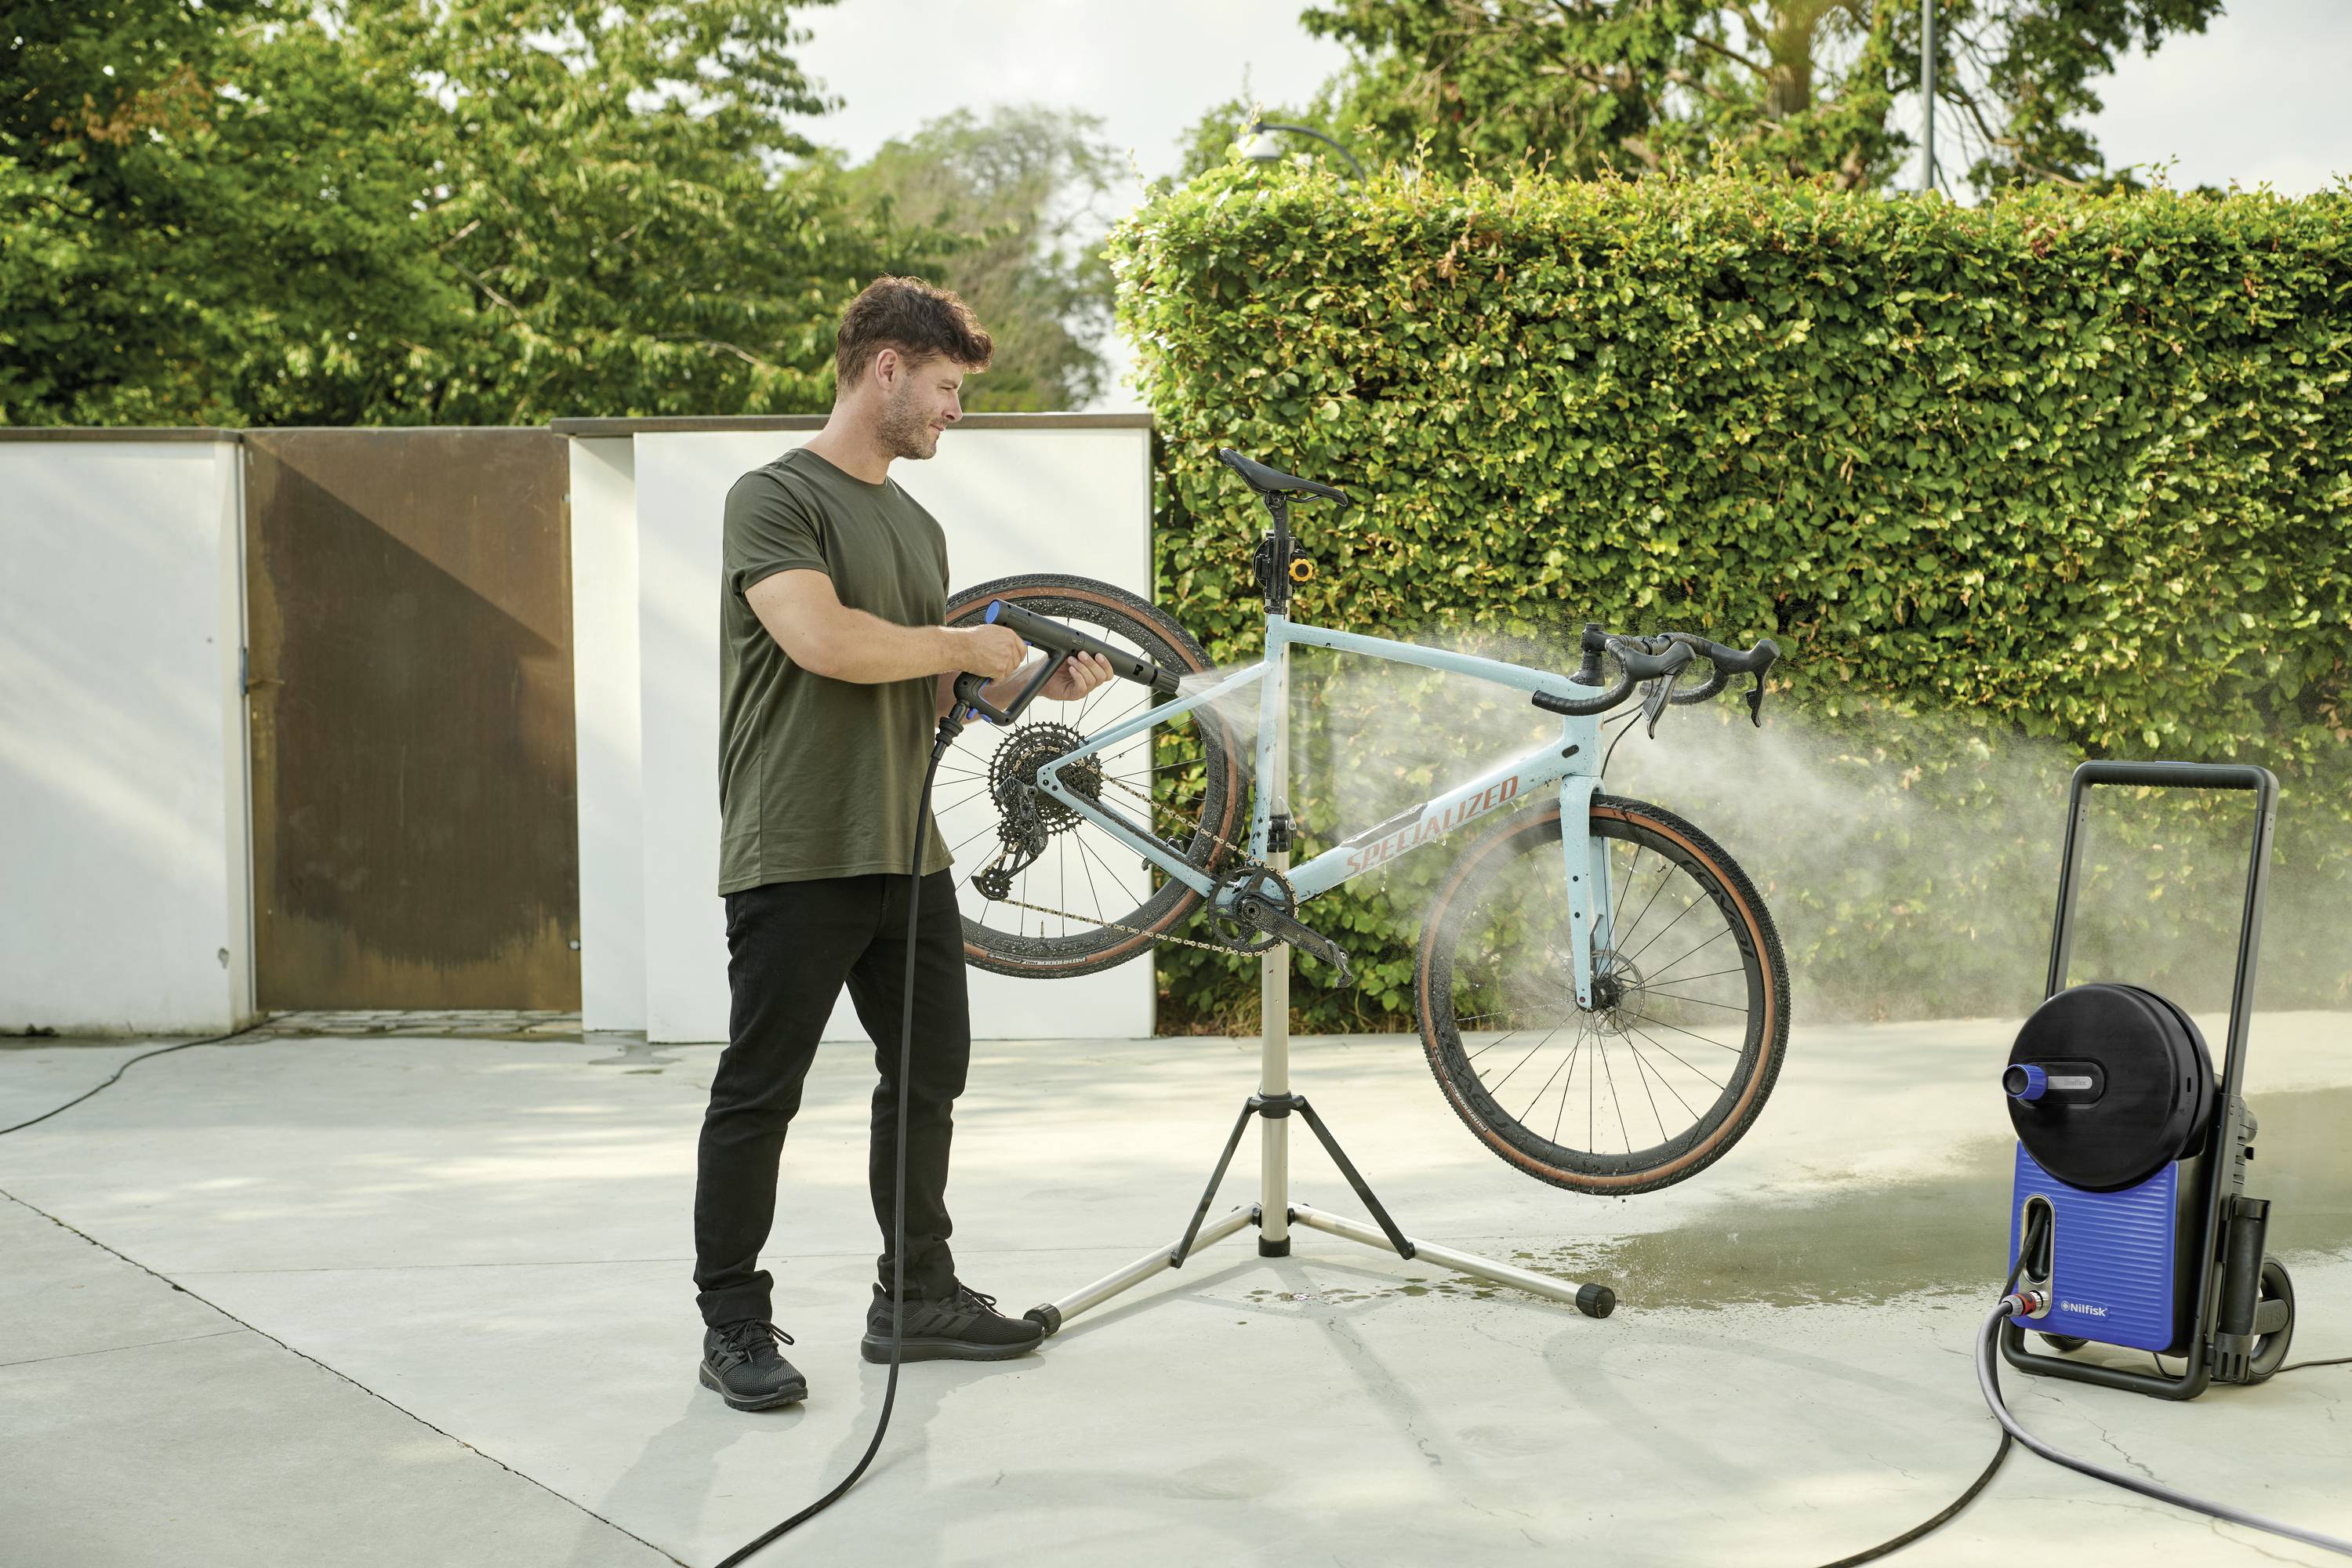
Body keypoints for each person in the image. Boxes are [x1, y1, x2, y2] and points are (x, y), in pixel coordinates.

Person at [693, 276, 1114, 1411]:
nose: (953, 412)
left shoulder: (918, 526)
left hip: (905, 849)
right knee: (760, 1091)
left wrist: (1030, 682)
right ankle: (733, 1323)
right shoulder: (773, 496)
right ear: (885, 369)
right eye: (944, 387)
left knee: (930, 1074)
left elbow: (930, 699)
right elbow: (824, 641)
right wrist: (960, 647)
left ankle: (913, 1296)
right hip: (798, 845)